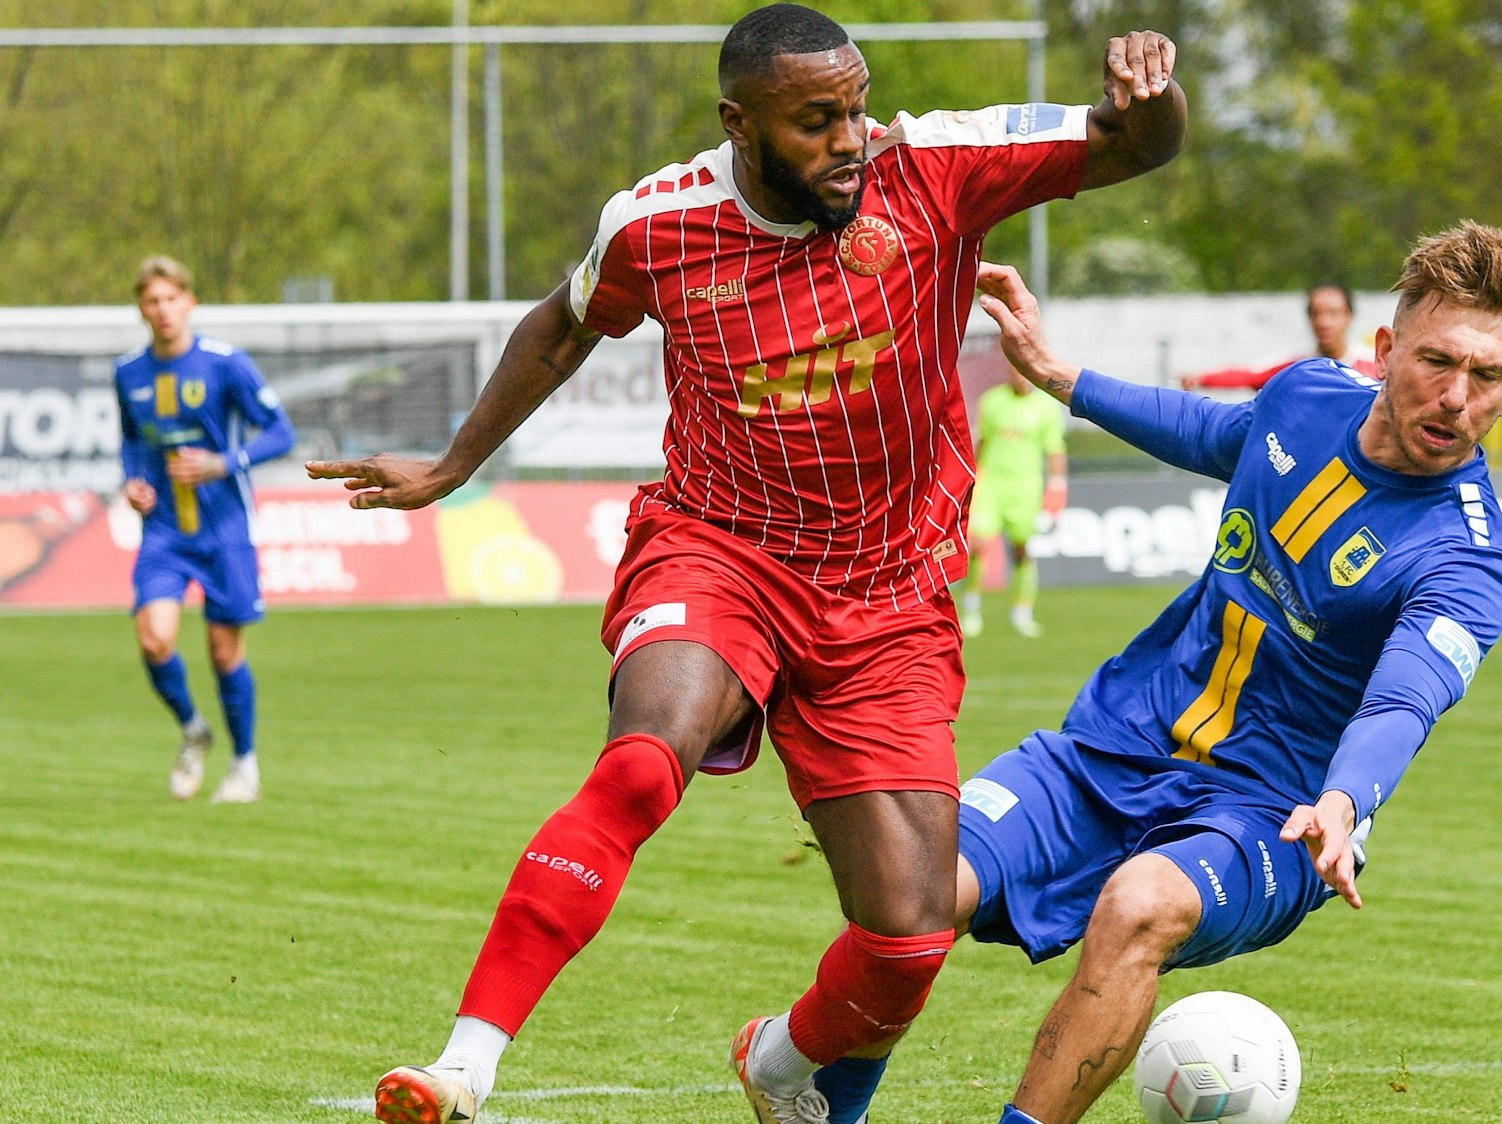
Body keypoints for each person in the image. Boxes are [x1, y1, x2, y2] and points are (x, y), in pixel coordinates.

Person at [305, 6, 1186, 1123]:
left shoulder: (937, 167)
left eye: (856, 108)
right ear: (739, 123)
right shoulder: (657, 224)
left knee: (909, 938)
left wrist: (1152, 98)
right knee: (641, 764)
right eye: (816, 121)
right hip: (719, 550)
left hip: (887, 594)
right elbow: (561, 326)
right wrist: (453, 464)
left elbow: (1132, 144)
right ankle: (460, 1066)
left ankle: (777, 1060)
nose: (850, 138)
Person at [824, 223, 1502, 1124]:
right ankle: (813, 1094)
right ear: (1384, 351)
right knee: (910, 899)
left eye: (1486, 376)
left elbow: (1405, 696)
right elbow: (1213, 431)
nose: (1455, 396)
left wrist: (1343, 801)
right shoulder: (1305, 396)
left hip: (1272, 815)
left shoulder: (1469, 555)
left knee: (1139, 904)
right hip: (1116, 746)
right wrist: (1058, 374)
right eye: (1437, 361)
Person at [114, 255, 295, 804]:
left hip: (224, 529)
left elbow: (281, 432)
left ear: (190, 302)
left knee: (224, 653)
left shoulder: (226, 363)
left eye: (171, 298)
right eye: (152, 301)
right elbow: (132, 440)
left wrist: (223, 463)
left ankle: (244, 766)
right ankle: (193, 729)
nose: (163, 310)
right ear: (141, 309)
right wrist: (133, 482)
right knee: (154, 640)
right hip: (165, 532)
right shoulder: (128, 372)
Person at [960, 369, 1068, 638]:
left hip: (1025, 489)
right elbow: (982, 441)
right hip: (991, 485)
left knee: (1021, 549)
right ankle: (971, 609)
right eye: (1015, 372)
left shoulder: (1046, 407)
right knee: (978, 544)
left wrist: (1057, 485)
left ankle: (1022, 612)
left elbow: (1055, 450)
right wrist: (969, 476)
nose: (1020, 377)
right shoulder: (992, 401)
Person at [1181, 280, 1377, 392]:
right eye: (1316, 314)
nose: (1323, 322)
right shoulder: (1296, 366)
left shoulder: (1375, 365)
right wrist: (1201, 379)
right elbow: (1251, 375)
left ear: (1349, 316)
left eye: (1333, 314)